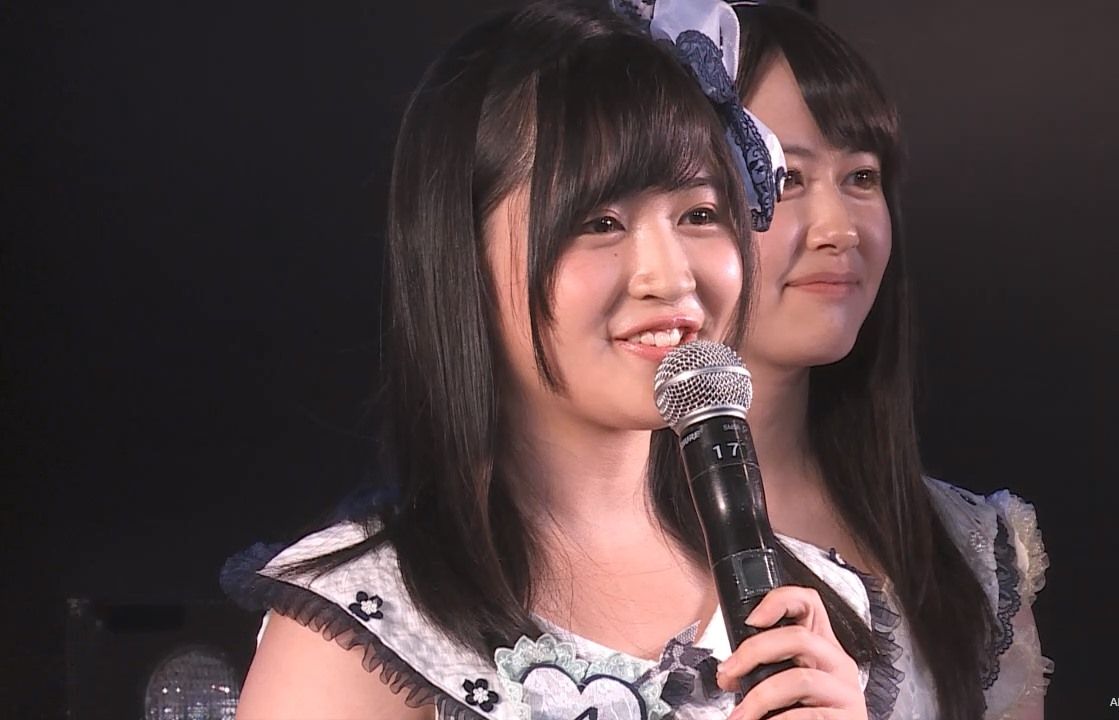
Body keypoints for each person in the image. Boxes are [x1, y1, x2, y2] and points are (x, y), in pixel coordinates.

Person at [223, 3, 877, 719]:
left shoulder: (811, 607)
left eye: (699, 215)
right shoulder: (360, 627)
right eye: (600, 223)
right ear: (461, 254)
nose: (670, 277)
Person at [724, 4, 1053, 719]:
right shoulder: (568, 549)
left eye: (862, 177)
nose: (839, 228)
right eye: (786, 179)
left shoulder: (968, 551)